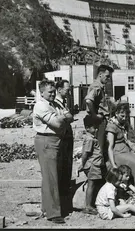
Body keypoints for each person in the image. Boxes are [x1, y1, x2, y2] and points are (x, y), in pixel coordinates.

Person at [33, 80, 74, 224]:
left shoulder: (54, 104)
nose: (53, 94)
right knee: (51, 177)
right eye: (49, 92)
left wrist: (62, 117)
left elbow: (71, 117)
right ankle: (53, 213)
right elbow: (57, 123)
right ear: (42, 92)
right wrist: (63, 117)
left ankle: (47, 208)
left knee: (52, 176)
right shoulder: (41, 105)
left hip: (56, 140)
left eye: (53, 91)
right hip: (46, 141)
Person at [78, 115, 105, 215]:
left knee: (93, 184)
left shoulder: (91, 138)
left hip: (95, 165)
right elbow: (85, 153)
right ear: (87, 128)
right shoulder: (90, 139)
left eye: (97, 127)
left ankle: (90, 204)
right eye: (94, 127)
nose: (96, 129)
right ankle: (88, 206)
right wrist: (82, 164)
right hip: (93, 165)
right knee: (91, 185)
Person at [54, 79, 74, 215]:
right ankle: (61, 197)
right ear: (60, 89)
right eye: (66, 89)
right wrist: (68, 117)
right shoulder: (55, 103)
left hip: (68, 135)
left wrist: (68, 117)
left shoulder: (64, 102)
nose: (68, 92)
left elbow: (69, 117)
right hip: (62, 137)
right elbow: (64, 118)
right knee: (61, 167)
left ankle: (65, 194)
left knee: (68, 165)